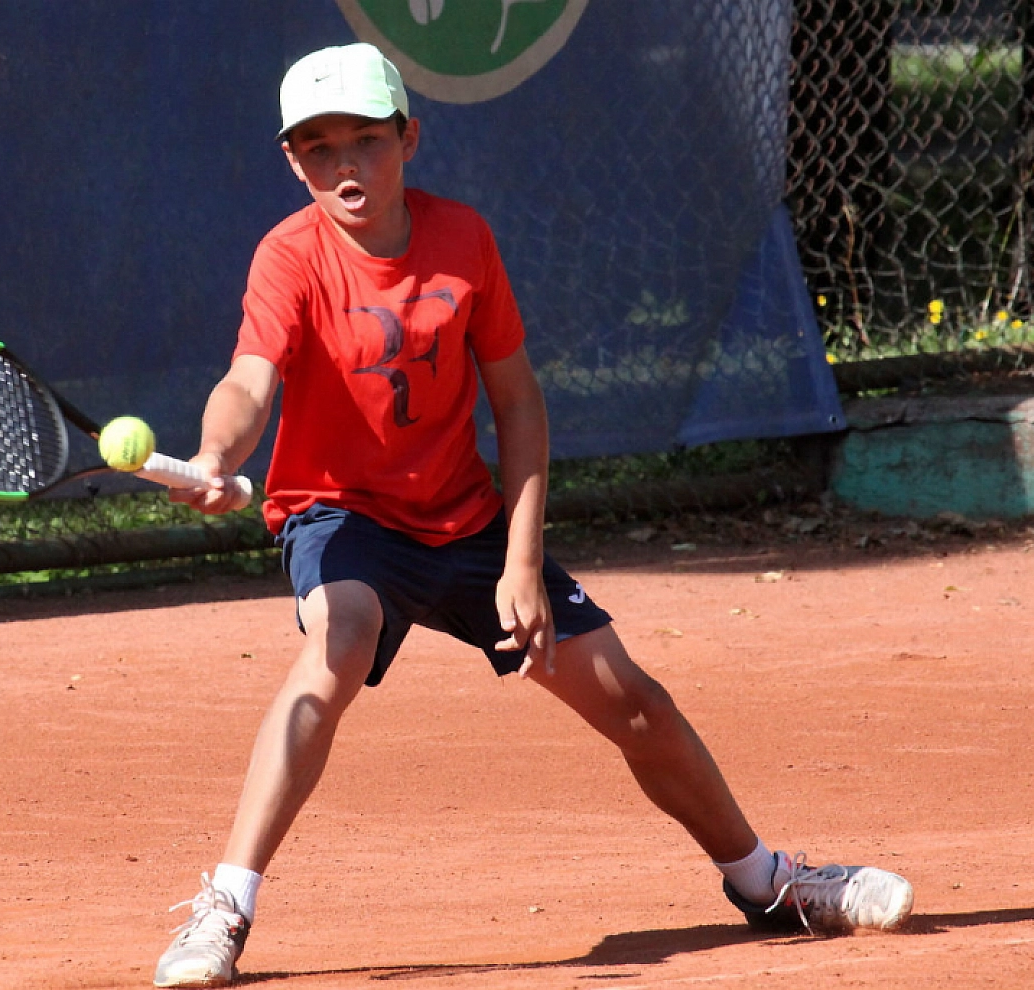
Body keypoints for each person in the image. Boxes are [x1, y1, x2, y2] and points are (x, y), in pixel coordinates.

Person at [153, 42, 913, 988]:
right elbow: (248, 380)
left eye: (366, 141)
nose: (345, 166)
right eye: (318, 148)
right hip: (343, 519)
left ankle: (767, 883)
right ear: (292, 160)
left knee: (635, 701)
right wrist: (215, 458)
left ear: (408, 139)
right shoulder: (289, 256)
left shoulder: (463, 240)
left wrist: (520, 562)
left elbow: (518, 403)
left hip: (468, 523)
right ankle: (226, 907)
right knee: (338, 640)